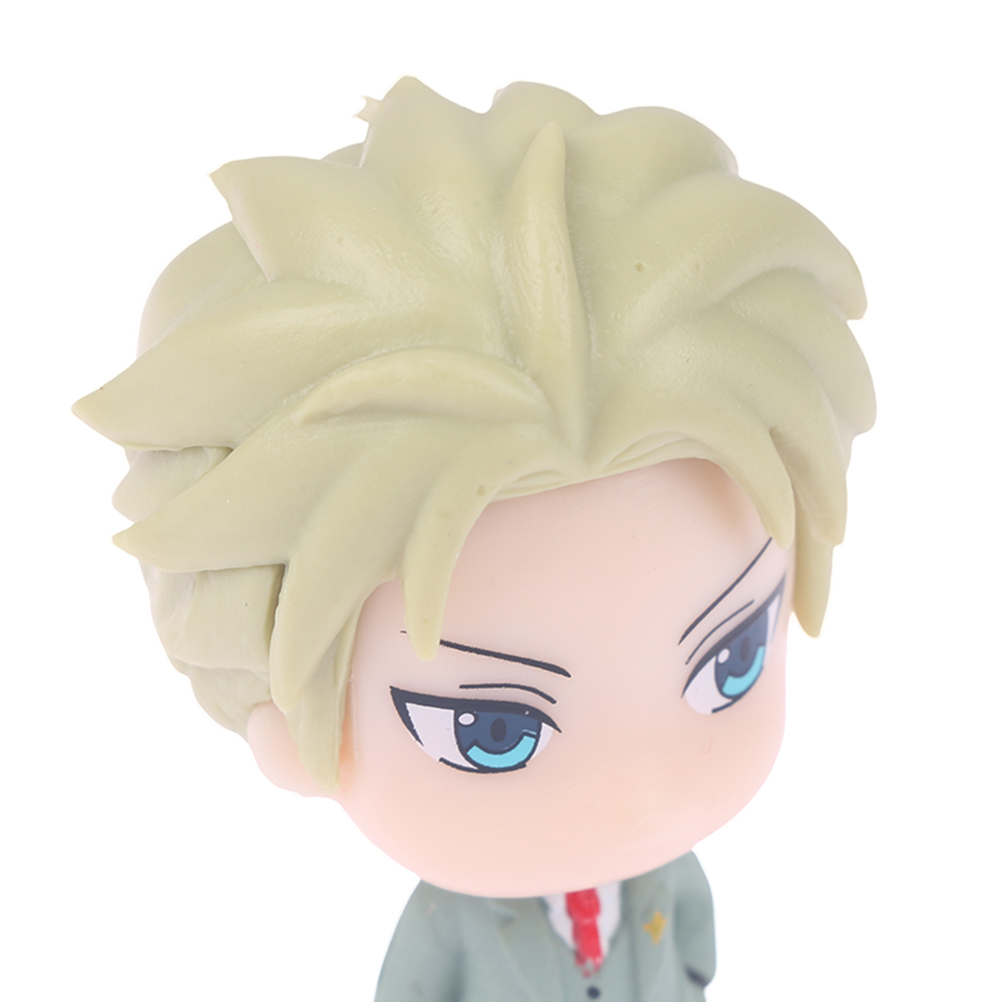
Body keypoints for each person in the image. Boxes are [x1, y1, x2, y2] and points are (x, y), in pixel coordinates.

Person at [74, 77, 874, 999]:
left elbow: (692, 944)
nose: (639, 789)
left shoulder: (665, 875)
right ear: (287, 734)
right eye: (492, 731)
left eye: (733, 659)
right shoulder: (453, 922)